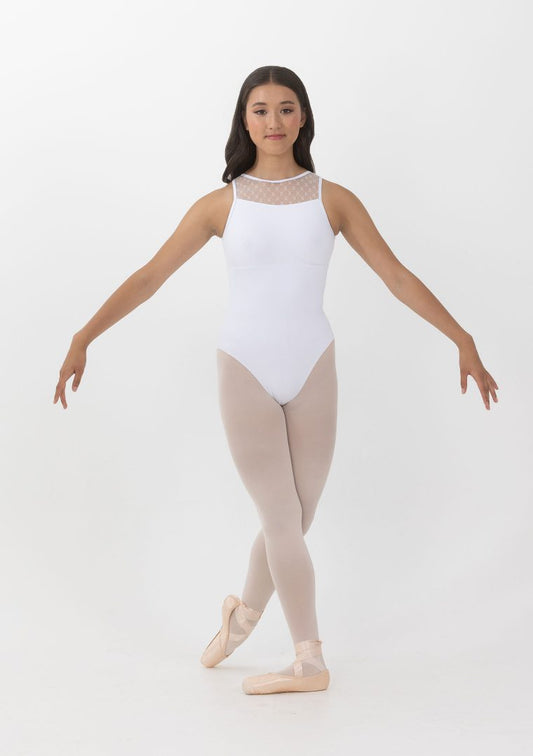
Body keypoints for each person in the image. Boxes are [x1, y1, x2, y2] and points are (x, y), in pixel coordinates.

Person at [54, 65, 499, 696]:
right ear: (244, 119)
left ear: (303, 117)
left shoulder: (333, 200)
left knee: (295, 519)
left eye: (286, 108)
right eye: (260, 110)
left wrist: (462, 337)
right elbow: (151, 276)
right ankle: (310, 661)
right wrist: (84, 335)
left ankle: (241, 616)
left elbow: (396, 275)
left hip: (314, 365)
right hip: (245, 367)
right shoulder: (221, 205)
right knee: (283, 518)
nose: (273, 121)